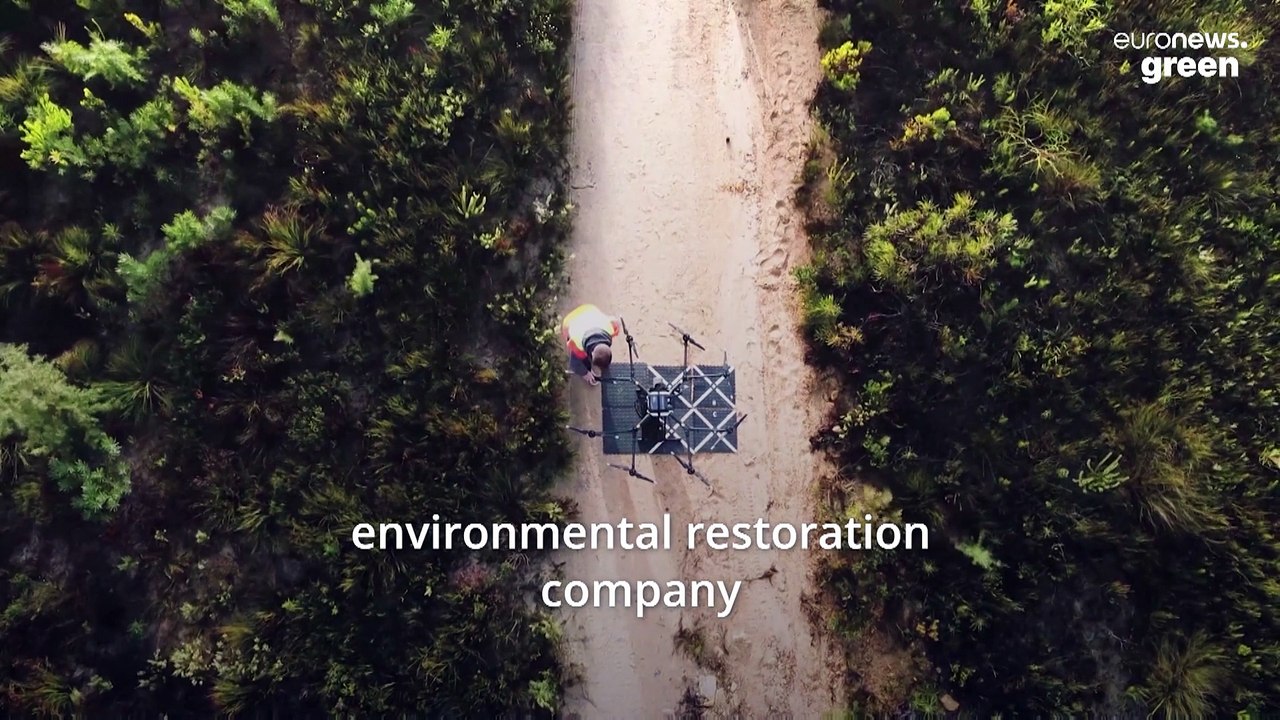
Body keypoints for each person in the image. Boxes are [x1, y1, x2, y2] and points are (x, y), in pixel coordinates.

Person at [560, 303, 621, 386]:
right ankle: (586, 368)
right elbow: (574, 365)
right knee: (580, 359)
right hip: (570, 322)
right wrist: (586, 373)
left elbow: (615, 321)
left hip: (589, 309)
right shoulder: (578, 345)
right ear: (591, 353)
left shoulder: (610, 329)